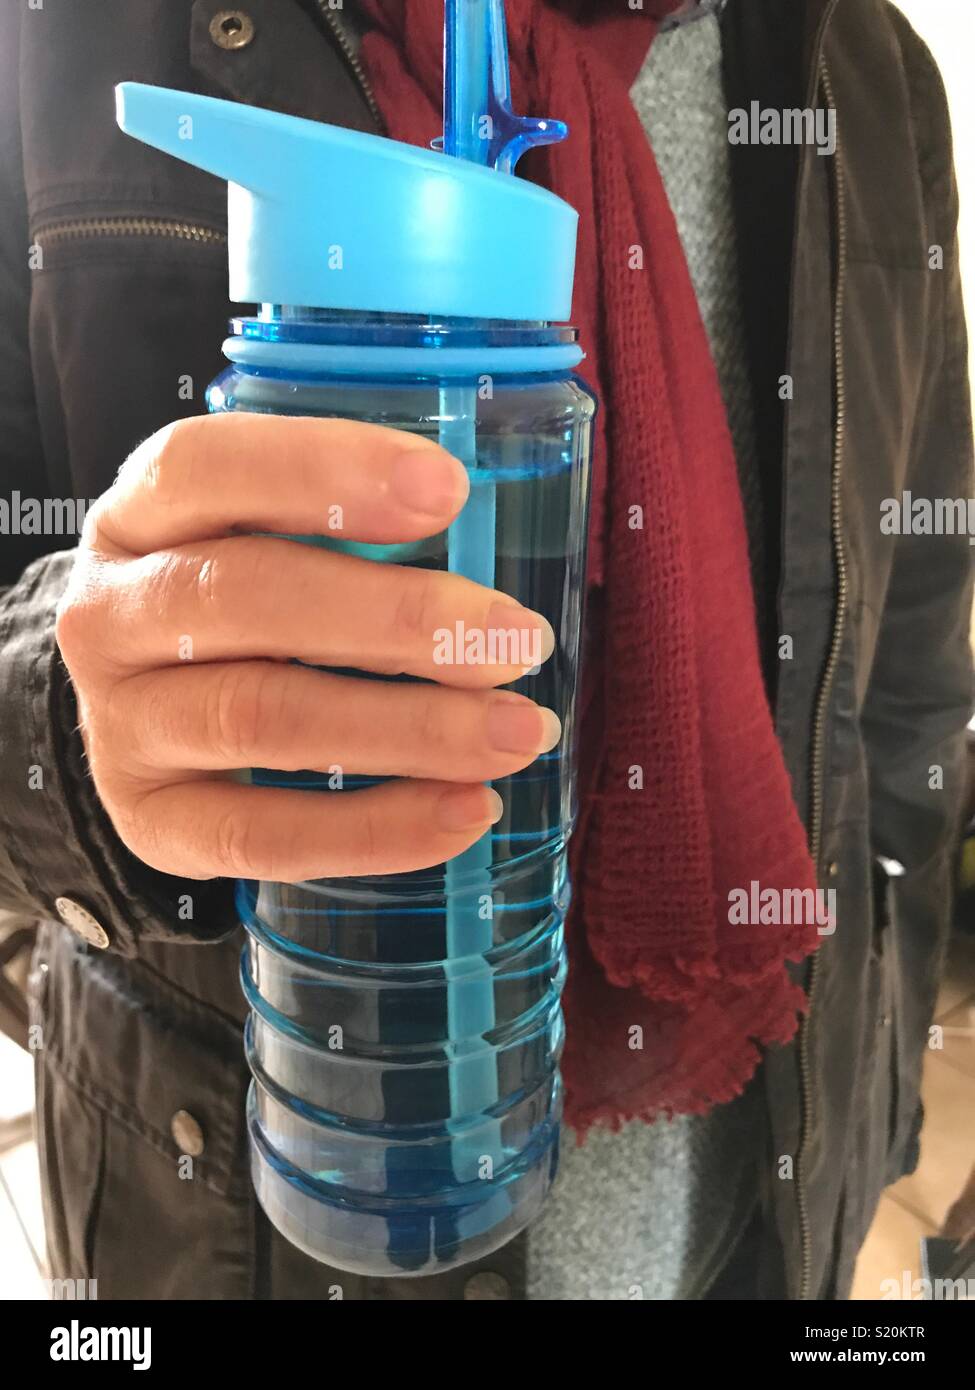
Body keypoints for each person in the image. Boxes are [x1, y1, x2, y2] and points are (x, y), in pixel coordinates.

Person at [0, 0, 970, 1301]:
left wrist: (881, 1069)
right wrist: (68, 727)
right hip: (245, 1231)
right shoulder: (73, 33)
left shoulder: (863, 65)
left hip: (760, 1207)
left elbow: (906, 650)